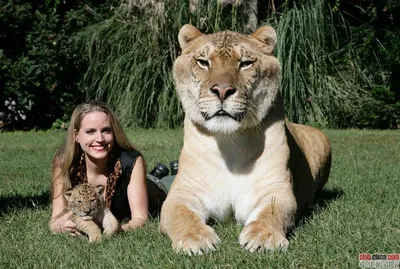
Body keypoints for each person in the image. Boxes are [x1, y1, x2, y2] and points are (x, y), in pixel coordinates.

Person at [49, 100, 173, 235]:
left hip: (158, 188)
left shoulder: (131, 161)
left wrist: (112, 230)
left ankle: (166, 174)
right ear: (76, 135)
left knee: (180, 181)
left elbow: (140, 219)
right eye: (90, 131)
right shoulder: (64, 162)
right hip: (141, 180)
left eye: (106, 130)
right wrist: (61, 226)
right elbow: (56, 219)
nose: (100, 138)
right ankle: (160, 172)